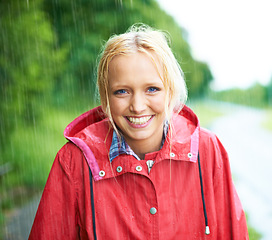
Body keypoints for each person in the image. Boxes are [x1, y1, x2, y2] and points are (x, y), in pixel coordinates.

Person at [29, 24, 249, 239]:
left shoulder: (207, 150)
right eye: (122, 91)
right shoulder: (73, 161)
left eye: (152, 89)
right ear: (106, 99)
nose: (137, 105)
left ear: (170, 92)